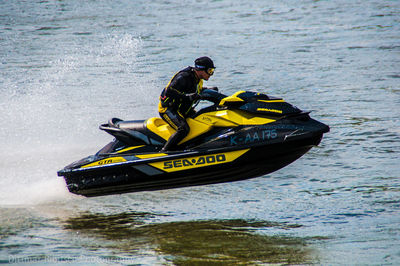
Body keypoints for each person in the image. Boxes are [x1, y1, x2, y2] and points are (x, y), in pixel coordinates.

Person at [158, 56, 216, 152]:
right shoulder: (183, 77)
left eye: (212, 71)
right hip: (168, 109)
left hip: (184, 110)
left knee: (203, 120)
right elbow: (169, 92)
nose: (211, 74)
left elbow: (196, 91)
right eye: (210, 71)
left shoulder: (198, 79)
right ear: (200, 69)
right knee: (183, 129)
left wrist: (210, 91)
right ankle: (164, 151)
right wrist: (188, 97)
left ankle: (193, 147)